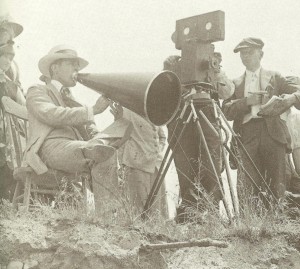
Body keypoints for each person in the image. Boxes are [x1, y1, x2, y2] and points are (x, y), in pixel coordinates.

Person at [24, 45, 118, 214]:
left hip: (71, 148)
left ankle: (109, 218)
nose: (77, 68)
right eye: (72, 64)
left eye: (77, 65)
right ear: (55, 68)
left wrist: (109, 131)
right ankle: (108, 218)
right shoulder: (37, 90)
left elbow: (88, 127)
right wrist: (92, 110)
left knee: (106, 150)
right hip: (49, 149)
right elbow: (52, 114)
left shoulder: (72, 99)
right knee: (101, 152)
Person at [223, 37, 300, 201]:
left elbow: (298, 92)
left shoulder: (275, 77)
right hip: (246, 136)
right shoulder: (234, 83)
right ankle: (249, 224)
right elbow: (226, 111)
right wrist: (246, 102)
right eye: (242, 53)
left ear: (261, 54)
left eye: (249, 52)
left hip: (273, 135)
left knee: (277, 185)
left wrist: (292, 98)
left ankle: (277, 221)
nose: (245, 56)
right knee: (246, 186)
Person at [163, 53, 234, 222]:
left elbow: (227, 92)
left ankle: (211, 216)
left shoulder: (207, 64)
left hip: (207, 116)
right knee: (186, 170)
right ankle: (188, 217)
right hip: (183, 120)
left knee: (211, 169)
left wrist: (215, 71)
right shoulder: (174, 64)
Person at [111, 103, 169, 218]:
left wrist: (157, 152)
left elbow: (162, 137)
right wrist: (123, 162)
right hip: (136, 165)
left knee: (158, 211)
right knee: (138, 212)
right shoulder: (125, 109)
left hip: (156, 166)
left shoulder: (152, 110)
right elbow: (119, 136)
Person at [0, 15, 25, 200]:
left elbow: (19, 94)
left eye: (11, 34)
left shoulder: (13, 66)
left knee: (9, 157)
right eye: (5, 32)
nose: (9, 37)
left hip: (9, 120)